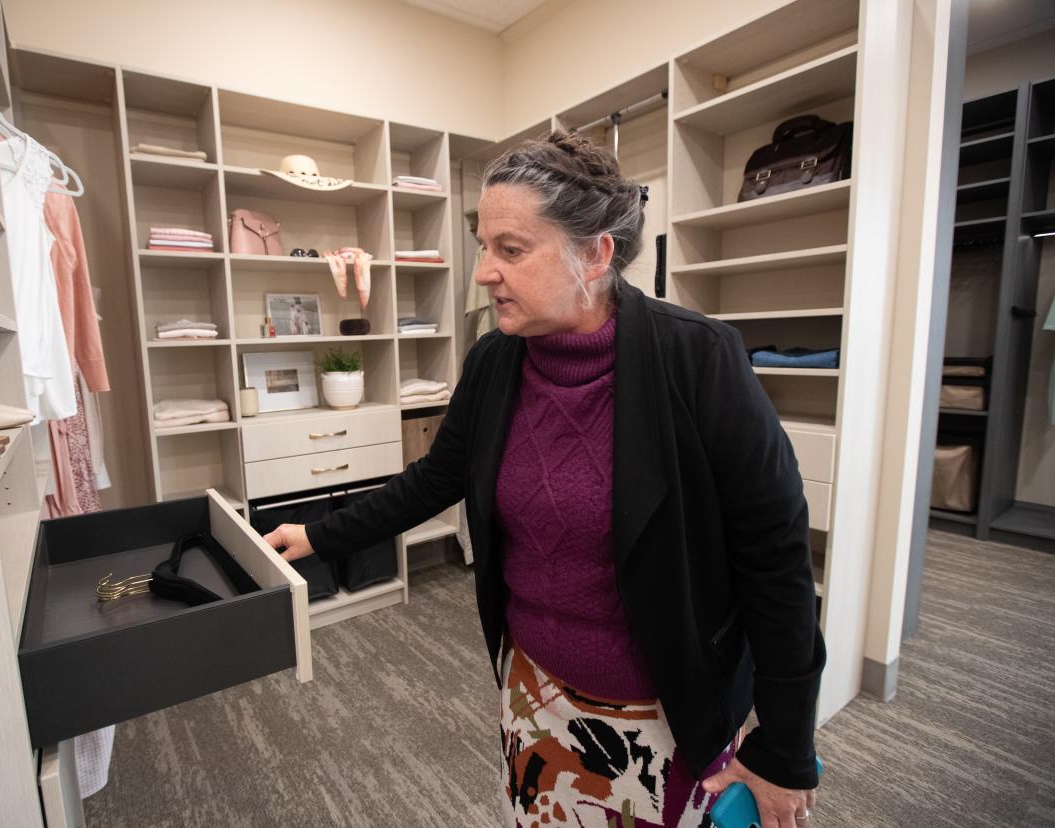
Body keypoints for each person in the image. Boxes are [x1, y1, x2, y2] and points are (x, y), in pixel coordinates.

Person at [263, 130, 824, 828]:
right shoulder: (495, 363)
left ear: (595, 253)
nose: (482, 272)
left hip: (666, 715)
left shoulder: (699, 361)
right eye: (482, 245)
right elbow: (436, 478)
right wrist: (317, 534)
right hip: (533, 694)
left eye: (511, 249)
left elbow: (775, 561)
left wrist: (787, 747)